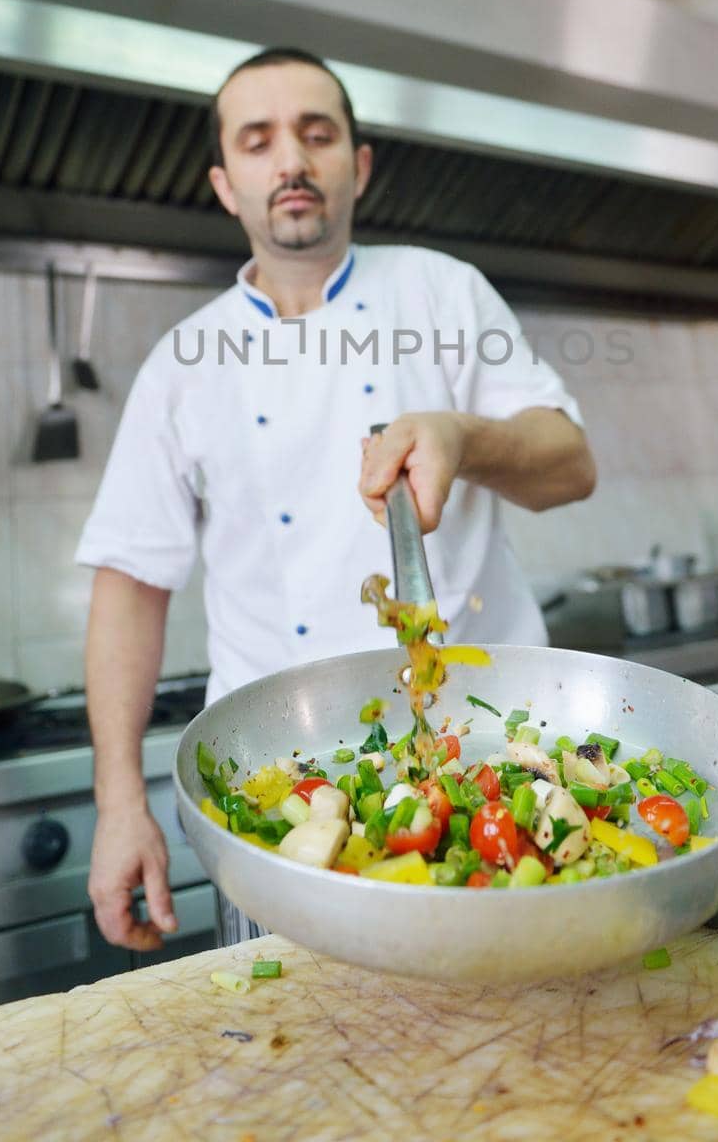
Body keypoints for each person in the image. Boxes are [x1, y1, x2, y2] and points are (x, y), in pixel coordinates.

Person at [78, 47, 596, 951]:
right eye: (259, 140)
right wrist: (118, 802)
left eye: (318, 135)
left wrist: (465, 437)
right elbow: (129, 586)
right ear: (225, 182)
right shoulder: (180, 366)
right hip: (280, 787)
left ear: (357, 167)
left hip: (486, 763)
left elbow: (570, 464)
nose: (291, 161)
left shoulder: (444, 292)